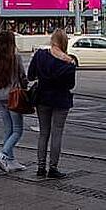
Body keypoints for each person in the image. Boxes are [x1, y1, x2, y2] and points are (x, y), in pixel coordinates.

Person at [27, 29, 75, 179]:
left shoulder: (40, 55)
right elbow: (70, 85)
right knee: (57, 133)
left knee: (43, 133)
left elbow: (30, 76)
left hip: (42, 98)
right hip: (61, 100)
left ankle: (41, 167)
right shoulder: (69, 62)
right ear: (64, 42)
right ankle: (53, 168)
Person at [0, 31, 28, 172]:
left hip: (0, 96)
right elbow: (23, 77)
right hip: (13, 97)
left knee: (8, 130)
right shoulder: (16, 58)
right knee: (18, 130)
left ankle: (11, 161)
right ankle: (3, 155)